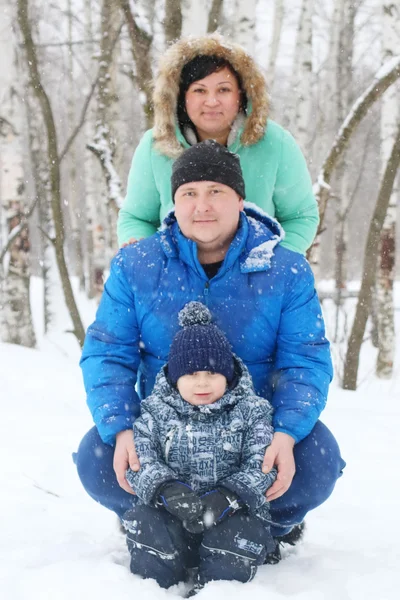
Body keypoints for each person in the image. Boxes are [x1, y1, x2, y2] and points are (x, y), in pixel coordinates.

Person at [76, 140, 345, 559]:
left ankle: (262, 526)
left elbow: (305, 360)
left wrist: (286, 433)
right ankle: (159, 519)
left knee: (318, 456)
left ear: (240, 199)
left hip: (251, 438)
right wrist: (123, 427)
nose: (202, 205)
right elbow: (108, 352)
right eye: (189, 193)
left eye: (216, 191)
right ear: (175, 201)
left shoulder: (287, 270)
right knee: (97, 455)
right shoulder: (136, 265)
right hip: (164, 434)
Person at [122, 301, 277, 593]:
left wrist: (231, 495)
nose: (202, 383)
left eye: (213, 374)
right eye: (191, 374)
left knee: (237, 540)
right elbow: (139, 458)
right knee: (147, 525)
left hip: (229, 516)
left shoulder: (251, 410)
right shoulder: (156, 411)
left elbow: (264, 463)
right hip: (173, 515)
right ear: (175, 377)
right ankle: (154, 585)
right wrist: (164, 489)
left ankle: (219, 587)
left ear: (228, 375)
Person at [117, 33, 318, 255]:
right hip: (177, 281)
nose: (212, 101)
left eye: (223, 90)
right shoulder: (156, 145)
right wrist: (150, 260)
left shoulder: (275, 143)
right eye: (199, 90)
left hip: (256, 281)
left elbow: (300, 216)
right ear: (182, 97)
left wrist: (272, 262)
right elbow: (136, 218)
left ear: (241, 94)